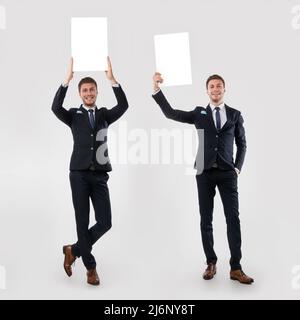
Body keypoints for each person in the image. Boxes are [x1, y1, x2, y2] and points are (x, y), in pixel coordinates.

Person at [152, 72, 253, 284]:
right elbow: (171, 113)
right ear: (206, 91)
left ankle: (236, 267)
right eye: (212, 86)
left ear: (224, 89)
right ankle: (211, 262)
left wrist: (237, 169)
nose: (215, 89)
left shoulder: (235, 114)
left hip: (227, 174)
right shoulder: (199, 113)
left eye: (219, 86)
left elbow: (242, 144)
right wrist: (157, 90)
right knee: (206, 219)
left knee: (232, 219)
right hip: (204, 174)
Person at [52, 57, 128, 286]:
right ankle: (91, 268)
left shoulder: (104, 114)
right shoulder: (73, 115)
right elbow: (55, 108)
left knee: (105, 221)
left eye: (92, 90)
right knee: (82, 222)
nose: (88, 93)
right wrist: (66, 80)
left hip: (100, 175)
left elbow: (123, 106)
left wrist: (113, 80)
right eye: (84, 90)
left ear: (97, 92)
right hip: (78, 174)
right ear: (80, 93)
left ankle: (73, 250)